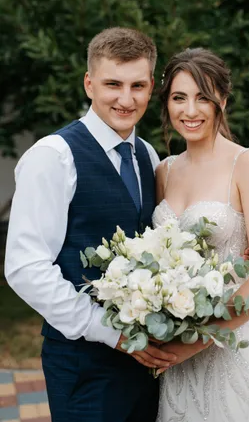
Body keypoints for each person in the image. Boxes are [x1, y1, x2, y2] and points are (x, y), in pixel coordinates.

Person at [4, 27, 177, 422]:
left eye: (137, 85)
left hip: (145, 366)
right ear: (89, 83)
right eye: (113, 84)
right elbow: (25, 268)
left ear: (151, 87)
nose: (126, 98)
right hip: (84, 365)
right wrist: (111, 332)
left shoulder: (147, 155)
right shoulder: (53, 156)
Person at [152, 47, 249, 422]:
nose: (190, 110)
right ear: (166, 103)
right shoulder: (164, 170)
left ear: (223, 99)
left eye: (203, 97)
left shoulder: (247, 163)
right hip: (179, 345)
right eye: (179, 98)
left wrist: (200, 338)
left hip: (238, 341)